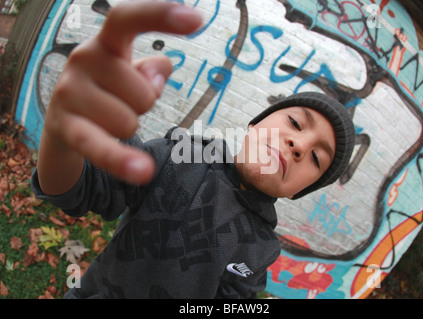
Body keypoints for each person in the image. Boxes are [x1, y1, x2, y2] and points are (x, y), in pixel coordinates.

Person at [31, 1, 355, 298]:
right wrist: (61, 134)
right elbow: (77, 190)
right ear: (255, 125)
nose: (299, 145)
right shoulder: (180, 157)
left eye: (315, 158)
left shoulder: (261, 248)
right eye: (296, 124)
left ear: (300, 190)